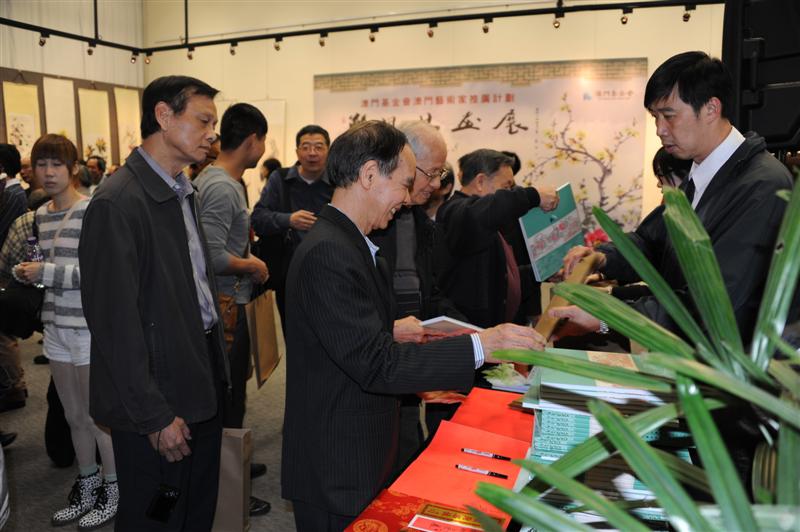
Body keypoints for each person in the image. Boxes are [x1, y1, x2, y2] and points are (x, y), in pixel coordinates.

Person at [281, 120, 547, 531]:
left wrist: (391, 332)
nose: (408, 199)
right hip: (338, 463)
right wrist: (481, 345)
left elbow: (346, 335)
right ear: (370, 175)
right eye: (405, 185)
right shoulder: (329, 252)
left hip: (360, 447)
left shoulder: (352, 243)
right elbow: (377, 364)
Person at [556, 51, 794, 343]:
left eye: (669, 116)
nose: (659, 130)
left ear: (711, 109)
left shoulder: (761, 186)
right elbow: (652, 243)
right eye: (655, 117)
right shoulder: (701, 175)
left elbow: (714, 304)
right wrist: (603, 257)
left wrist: (608, 317)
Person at [79, 75, 229, 531]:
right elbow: (114, 326)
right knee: (157, 516)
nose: (212, 134)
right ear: (164, 116)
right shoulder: (118, 202)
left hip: (198, 376)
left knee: (196, 508)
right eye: (203, 121)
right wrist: (154, 416)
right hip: (159, 396)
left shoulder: (182, 190)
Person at [14, 134, 118, 529]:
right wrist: (28, 273)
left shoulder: (90, 210)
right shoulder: (41, 214)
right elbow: (46, 269)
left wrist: (46, 272)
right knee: (73, 416)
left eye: (56, 164)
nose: (48, 172)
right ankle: (87, 485)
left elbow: (100, 273)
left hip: (87, 329)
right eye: (41, 164)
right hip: (55, 326)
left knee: (97, 417)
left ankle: (113, 488)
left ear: (73, 168)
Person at [370, 121, 467, 476]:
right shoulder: (369, 225)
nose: (437, 183)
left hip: (411, 357)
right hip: (379, 361)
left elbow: (430, 291)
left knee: (409, 447)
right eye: (432, 172)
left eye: (441, 173)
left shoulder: (420, 223)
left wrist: (467, 330)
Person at [194, 102, 271, 517]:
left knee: (231, 398)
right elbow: (211, 255)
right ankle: (228, 487)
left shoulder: (215, 178)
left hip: (226, 304)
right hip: (224, 307)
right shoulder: (223, 186)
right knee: (228, 402)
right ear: (253, 140)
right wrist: (252, 265)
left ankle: (233, 465)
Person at [434, 148, 559, 329]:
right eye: (506, 188)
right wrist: (534, 195)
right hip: (468, 334)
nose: (510, 193)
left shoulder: (488, 222)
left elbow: (502, 281)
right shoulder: (455, 212)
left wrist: (542, 271)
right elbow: (490, 209)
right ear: (480, 181)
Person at [250, 124, 333, 322]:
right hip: (287, 274)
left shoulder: (338, 183)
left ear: (328, 151)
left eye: (318, 147)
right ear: (297, 151)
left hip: (329, 273)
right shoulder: (280, 179)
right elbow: (258, 218)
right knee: (291, 329)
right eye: (305, 147)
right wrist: (288, 220)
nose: (312, 153)